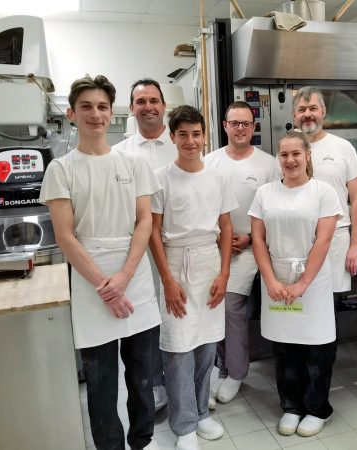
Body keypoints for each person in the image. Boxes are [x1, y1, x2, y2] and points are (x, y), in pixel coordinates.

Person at [40, 75, 161, 450]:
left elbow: (144, 221)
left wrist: (124, 276)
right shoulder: (61, 169)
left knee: (142, 376)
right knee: (101, 380)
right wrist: (105, 287)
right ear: (72, 113)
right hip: (91, 280)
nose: (96, 114)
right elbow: (65, 236)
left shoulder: (133, 163)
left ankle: (143, 440)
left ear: (112, 114)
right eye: (87, 107)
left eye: (103, 107)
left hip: (134, 274)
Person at [149, 105, 237, 450]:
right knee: (178, 349)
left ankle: (202, 412)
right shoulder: (160, 177)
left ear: (205, 136)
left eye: (196, 134)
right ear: (172, 137)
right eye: (182, 134)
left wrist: (225, 272)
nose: (190, 140)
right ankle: (183, 424)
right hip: (176, 262)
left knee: (206, 344)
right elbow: (154, 232)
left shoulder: (217, 176)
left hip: (209, 262)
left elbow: (226, 226)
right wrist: (168, 280)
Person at [249, 130, 342, 437]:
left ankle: (317, 408)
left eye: (295, 154)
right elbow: (258, 241)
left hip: (312, 281)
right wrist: (271, 280)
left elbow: (323, 240)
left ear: (307, 156)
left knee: (317, 347)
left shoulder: (323, 192)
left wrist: (303, 283)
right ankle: (291, 406)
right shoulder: (264, 193)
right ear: (279, 158)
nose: (289, 160)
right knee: (285, 347)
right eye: (284, 155)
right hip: (275, 276)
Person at [204, 101, 279, 407]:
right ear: (225, 126)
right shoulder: (209, 162)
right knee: (214, 304)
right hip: (214, 245)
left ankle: (236, 372)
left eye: (246, 123)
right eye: (234, 123)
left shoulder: (268, 164)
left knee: (232, 307)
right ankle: (221, 366)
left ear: (254, 127)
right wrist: (219, 236)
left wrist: (248, 237)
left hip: (250, 246)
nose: (240, 129)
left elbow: (275, 208)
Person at [113, 78, 178, 412]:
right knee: (147, 320)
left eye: (154, 100)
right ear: (132, 108)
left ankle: (185, 383)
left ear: (164, 106)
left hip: (180, 249)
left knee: (179, 315)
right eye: (141, 102)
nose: (148, 107)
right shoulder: (119, 154)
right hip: (138, 254)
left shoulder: (184, 145)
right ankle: (154, 387)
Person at [291, 87, 357, 298]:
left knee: (330, 305)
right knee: (299, 303)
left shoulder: (343, 148)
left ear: (323, 111)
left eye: (313, 108)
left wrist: (356, 244)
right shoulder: (287, 149)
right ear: (294, 116)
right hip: (297, 239)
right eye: (302, 109)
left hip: (335, 239)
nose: (307, 114)